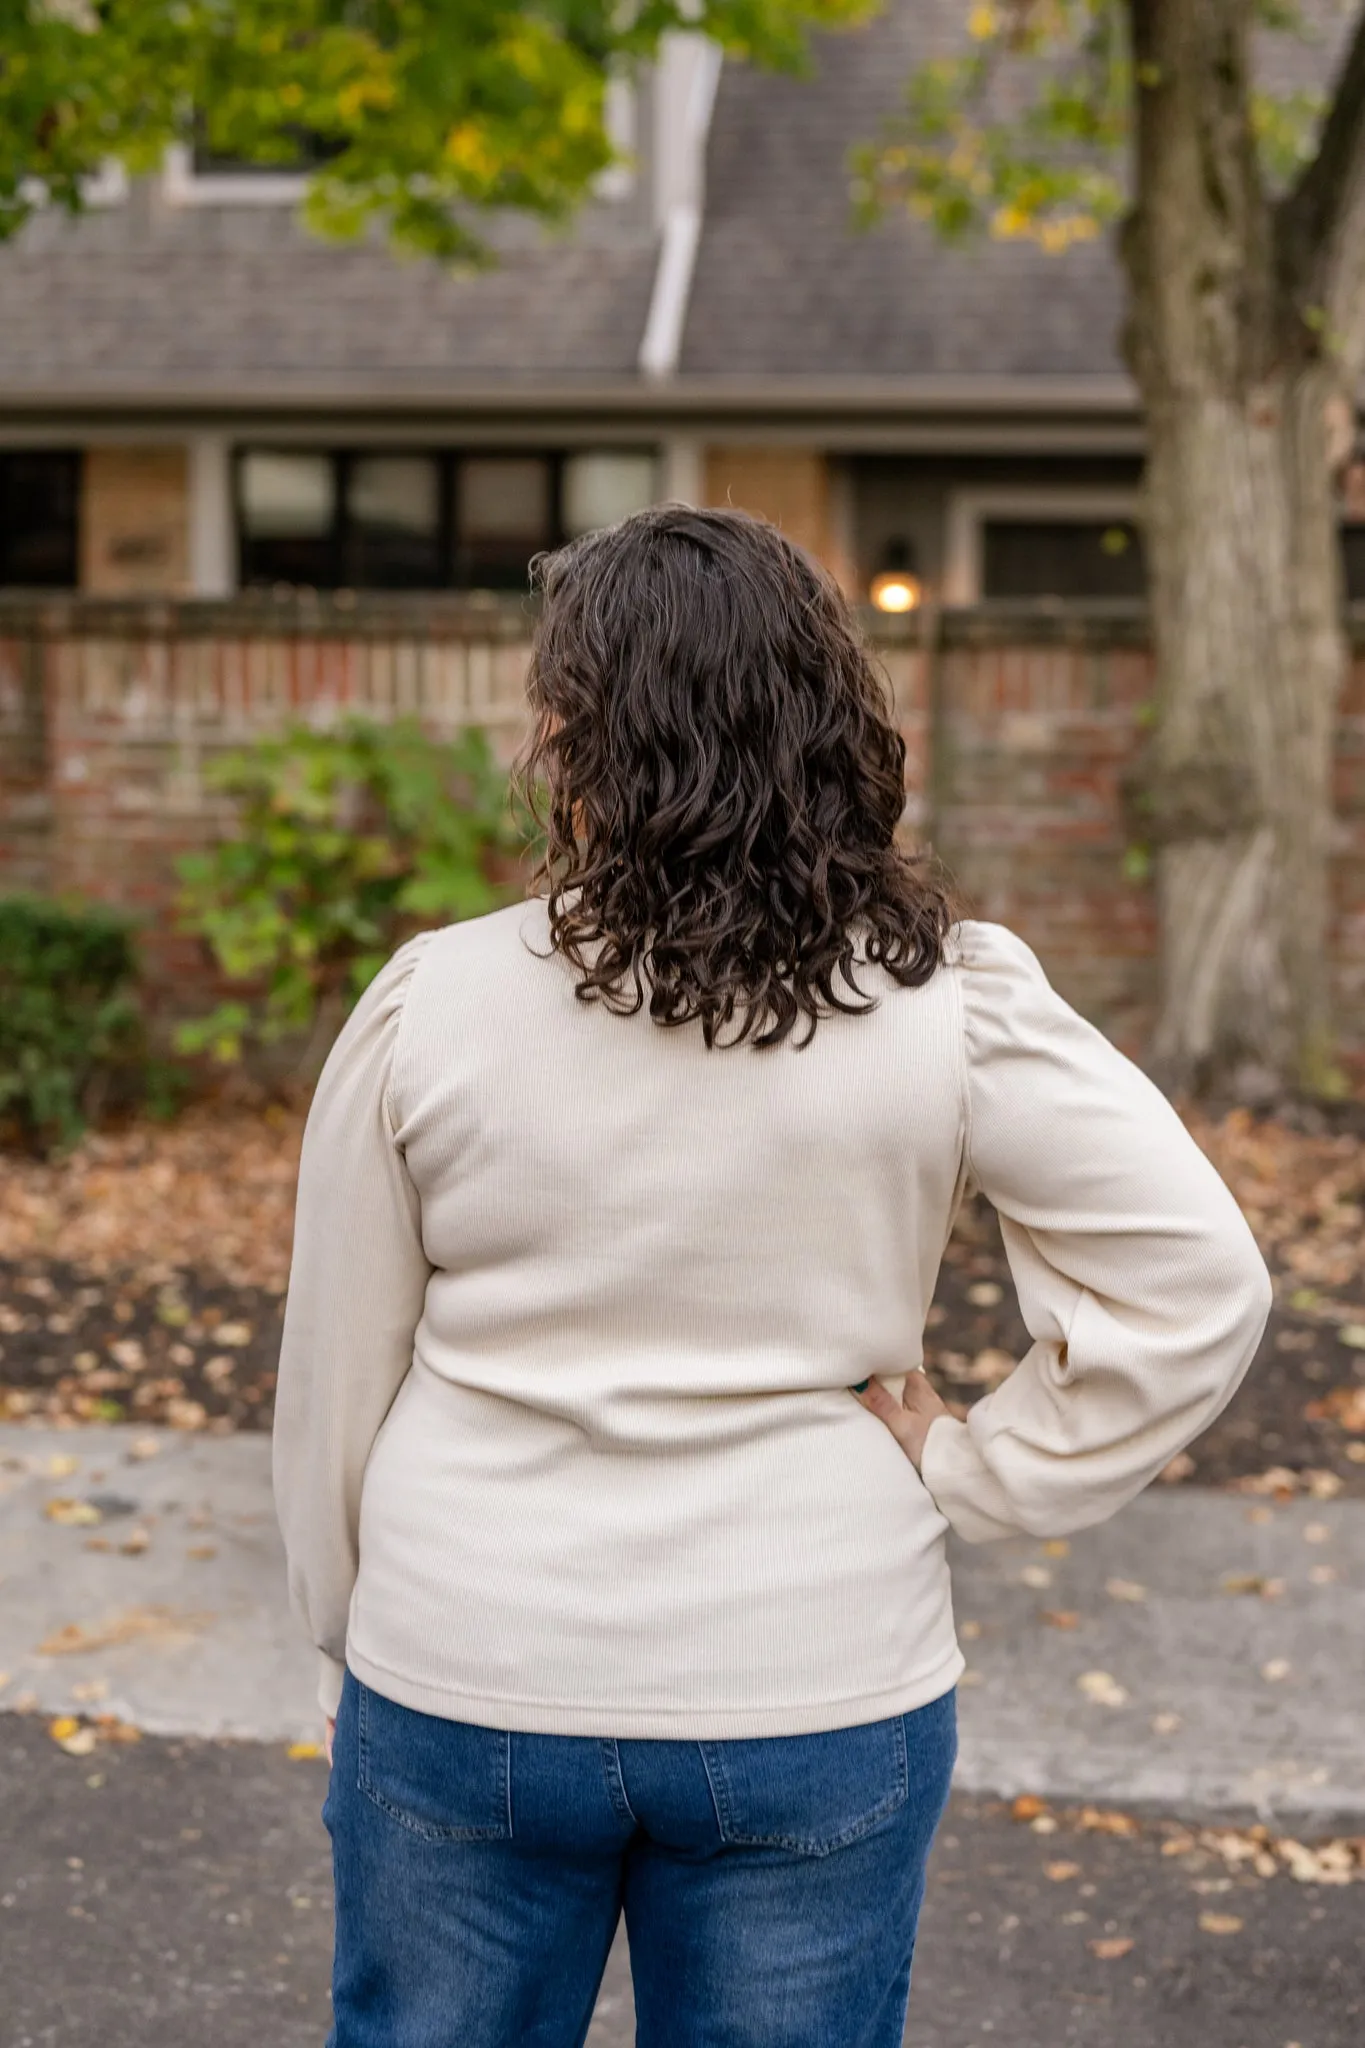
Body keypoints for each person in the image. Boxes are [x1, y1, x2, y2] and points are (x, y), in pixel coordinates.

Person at [273, 505, 1271, 2048]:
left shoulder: (438, 1005)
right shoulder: (946, 1005)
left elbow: (338, 1374)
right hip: (818, 1686)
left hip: (467, 1678)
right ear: (830, 721)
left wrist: (356, 1643)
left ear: (568, 734)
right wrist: (982, 1468)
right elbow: (1201, 1283)